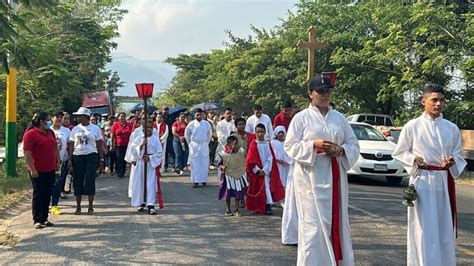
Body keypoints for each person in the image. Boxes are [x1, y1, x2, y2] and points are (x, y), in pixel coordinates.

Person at [284, 75, 359, 266]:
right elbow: (290, 146)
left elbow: (353, 144)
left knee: (335, 221)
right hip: (310, 177)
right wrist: (313, 145)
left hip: (334, 175)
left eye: (328, 91)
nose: (325, 95)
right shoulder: (301, 118)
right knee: (313, 226)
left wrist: (341, 150)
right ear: (310, 94)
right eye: (321, 92)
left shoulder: (339, 118)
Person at [392, 84, 466, 266]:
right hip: (422, 181)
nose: (438, 104)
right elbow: (400, 152)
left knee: (443, 227)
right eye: (434, 100)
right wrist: (414, 159)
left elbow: (458, 154)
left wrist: (452, 161)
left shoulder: (452, 128)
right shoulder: (413, 126)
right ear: (423, 101)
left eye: (441, 100)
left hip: (443, 181)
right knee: (423, 228)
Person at [23, 112, 60, 229]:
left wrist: (57, 162)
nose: (49, 122)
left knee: (47, 193)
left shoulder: (50, 132)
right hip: (37, 170)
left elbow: (55, 148)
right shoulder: (31, 134)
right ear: (41, 121)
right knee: (39, 193)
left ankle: (44, 218)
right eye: (48, 120)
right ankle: (37, 219)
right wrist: (32, 169)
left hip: (50, 168)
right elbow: (27, 153)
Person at [68, 107, 104, 215]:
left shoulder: (95, 128)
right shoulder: (75, 129)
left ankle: (90, 207)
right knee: (78, 180)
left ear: (86, 117)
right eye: (78, 116)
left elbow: (99, 144)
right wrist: (70, 159)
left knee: (90, 180)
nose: (79, 118)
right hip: (78, 156)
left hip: (91, 156)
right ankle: (78, 207)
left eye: (81, 116)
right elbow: (71, 144)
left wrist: (101, 159)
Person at [245, 123, 285, 215]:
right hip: (257, 171)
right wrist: (257, 170)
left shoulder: (267, 143)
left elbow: (270, 157)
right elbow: (250, 159)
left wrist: (266, 170)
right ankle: (257, 207)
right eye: (258, 132)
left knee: (266, 188)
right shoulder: (253, 144)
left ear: (265, 132)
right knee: (257, 188)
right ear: (255, 132)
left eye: (262, 132)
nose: (260, 134)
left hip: (266, 171)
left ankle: (267, 206)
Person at [129, 120, 162, 215]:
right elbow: (133, 150)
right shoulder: (139, 139)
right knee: (140, 183)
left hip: (150, 165)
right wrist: (141, 145)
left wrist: (150, 158)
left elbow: (159, 152)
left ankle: (151, 205)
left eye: (151, 127)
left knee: (150, 184)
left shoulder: (156, 139)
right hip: (141, 164)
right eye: (147, 127)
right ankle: (141, 202)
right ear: (143, 129)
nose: (149, 129)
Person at [218, 136, 248, 217]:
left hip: (238, 174)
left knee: (238, 193)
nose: (236, 146)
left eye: (237, 144)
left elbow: (244, 162)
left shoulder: (241, 152)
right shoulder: (223, 154)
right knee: (228, 193)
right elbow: (220, 164)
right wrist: (222, 167)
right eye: (233, 144)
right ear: (228, 144)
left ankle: (237, 209)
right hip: (228, 176)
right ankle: (228, 209)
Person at [185, 108, 212, 188]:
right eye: (197, 114)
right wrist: (190, 144)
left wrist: (206, 143)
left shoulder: (206, 124)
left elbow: (209, 135)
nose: (199, 116)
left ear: (203, 115)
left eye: (201, 114)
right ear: (194, 115)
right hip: (194, 145)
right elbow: (187, 135)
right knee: (195, 164)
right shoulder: (191, 124)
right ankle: (195, 181)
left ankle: (204, 180)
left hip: (204, 144)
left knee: (204, 163)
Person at [50, 111, 71, 215]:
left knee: (58, 183)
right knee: (49, 184)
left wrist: (70, 159)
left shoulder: (66, 131)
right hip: (48, 162)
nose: (59, 119)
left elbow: (70, 146)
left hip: (62, 161)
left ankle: (54, 205)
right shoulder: (47, 130)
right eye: (56, 116)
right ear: (51, 118)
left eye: (61, 117)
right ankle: (48, 204)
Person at [111, 112, 132, 178]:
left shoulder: (129, 124)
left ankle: (123, 171)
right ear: (118, 117)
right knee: (119, 158)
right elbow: (112, 135)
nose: (122, 118)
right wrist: (112, 144)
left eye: (123, 116)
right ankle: (119, 172)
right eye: (121, 116)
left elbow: (132, 134)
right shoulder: (115, 125)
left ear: (125, 117)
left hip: (127, 144)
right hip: (118, 144)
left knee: (125, 159)